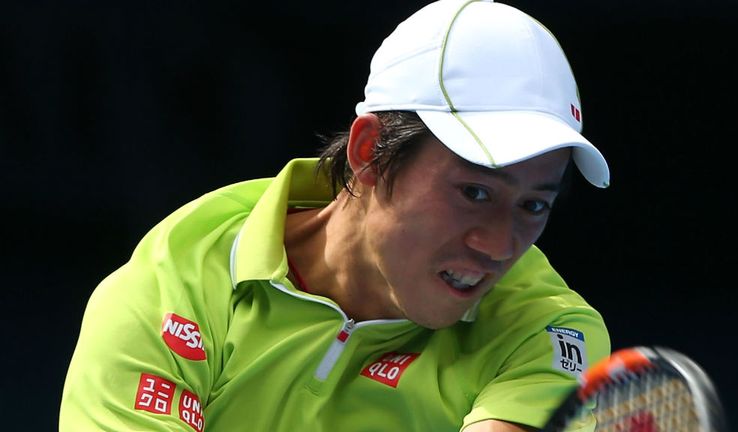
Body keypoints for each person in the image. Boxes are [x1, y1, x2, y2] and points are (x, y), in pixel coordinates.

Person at [60, 0, 612, 430]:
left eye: (534, 205)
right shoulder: (177, 288)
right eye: (474, 192)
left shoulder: (545, 331)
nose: (498, 246)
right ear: (369, 152)